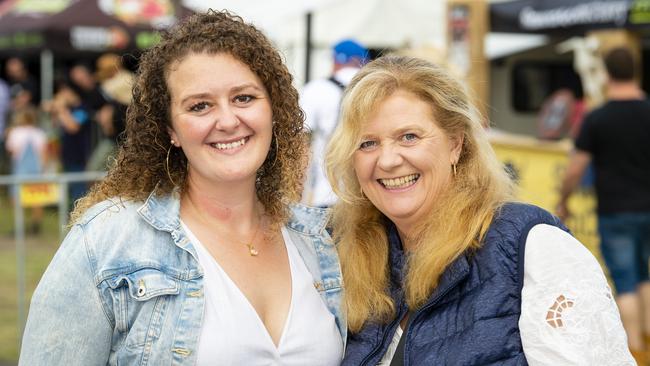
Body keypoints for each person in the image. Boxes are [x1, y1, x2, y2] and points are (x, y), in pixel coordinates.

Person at [19, 10, 345, 366]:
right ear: (171, 129)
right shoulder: (106, 242)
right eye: (200, 105)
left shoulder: (318, 241)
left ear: (273, 109)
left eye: (244, 98)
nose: (227, 120)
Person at [325, 55, 633, 365]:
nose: (388, 160)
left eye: (409, 137)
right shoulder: (347, 257)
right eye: (367, 143)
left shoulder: (531, 248)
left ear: (456, 144)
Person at [558, 46, 650, 364]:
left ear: (607, 74)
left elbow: (575, 168)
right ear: (636, 71)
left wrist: (563, 200)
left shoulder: (598, 119)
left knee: (624, 280)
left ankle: (637, 350)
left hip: (615, 211)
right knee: (644, 276)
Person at [301, 39, 368, 207]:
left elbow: (299, 138)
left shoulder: (316, 89)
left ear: (336, 60)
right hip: (370, 198)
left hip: (327, 195)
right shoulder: (376, 88)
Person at [5, 107, 47, 234]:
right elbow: (43, 154)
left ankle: (20, 225)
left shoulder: (16, 132)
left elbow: (11, 150)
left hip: (20, 170)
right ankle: (36, 225)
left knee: (17, 198)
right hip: (36, 170)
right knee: (36, 197)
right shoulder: (39, 133)